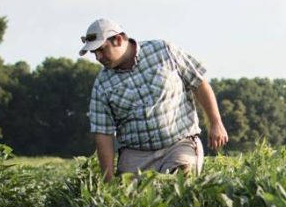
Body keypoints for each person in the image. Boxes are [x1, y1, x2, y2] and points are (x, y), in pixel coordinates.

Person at [79, 18, 228, 181]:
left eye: (101, 49)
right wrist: (108, 182)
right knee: (132, 203)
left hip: (179, 144)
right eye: (95, 53)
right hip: (135, 155)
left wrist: (216, 123)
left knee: (183, 182)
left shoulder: (164, 51)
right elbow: (103, 135)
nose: (98, 57)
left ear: (118, 40)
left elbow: (199, 83)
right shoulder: (102, 84)